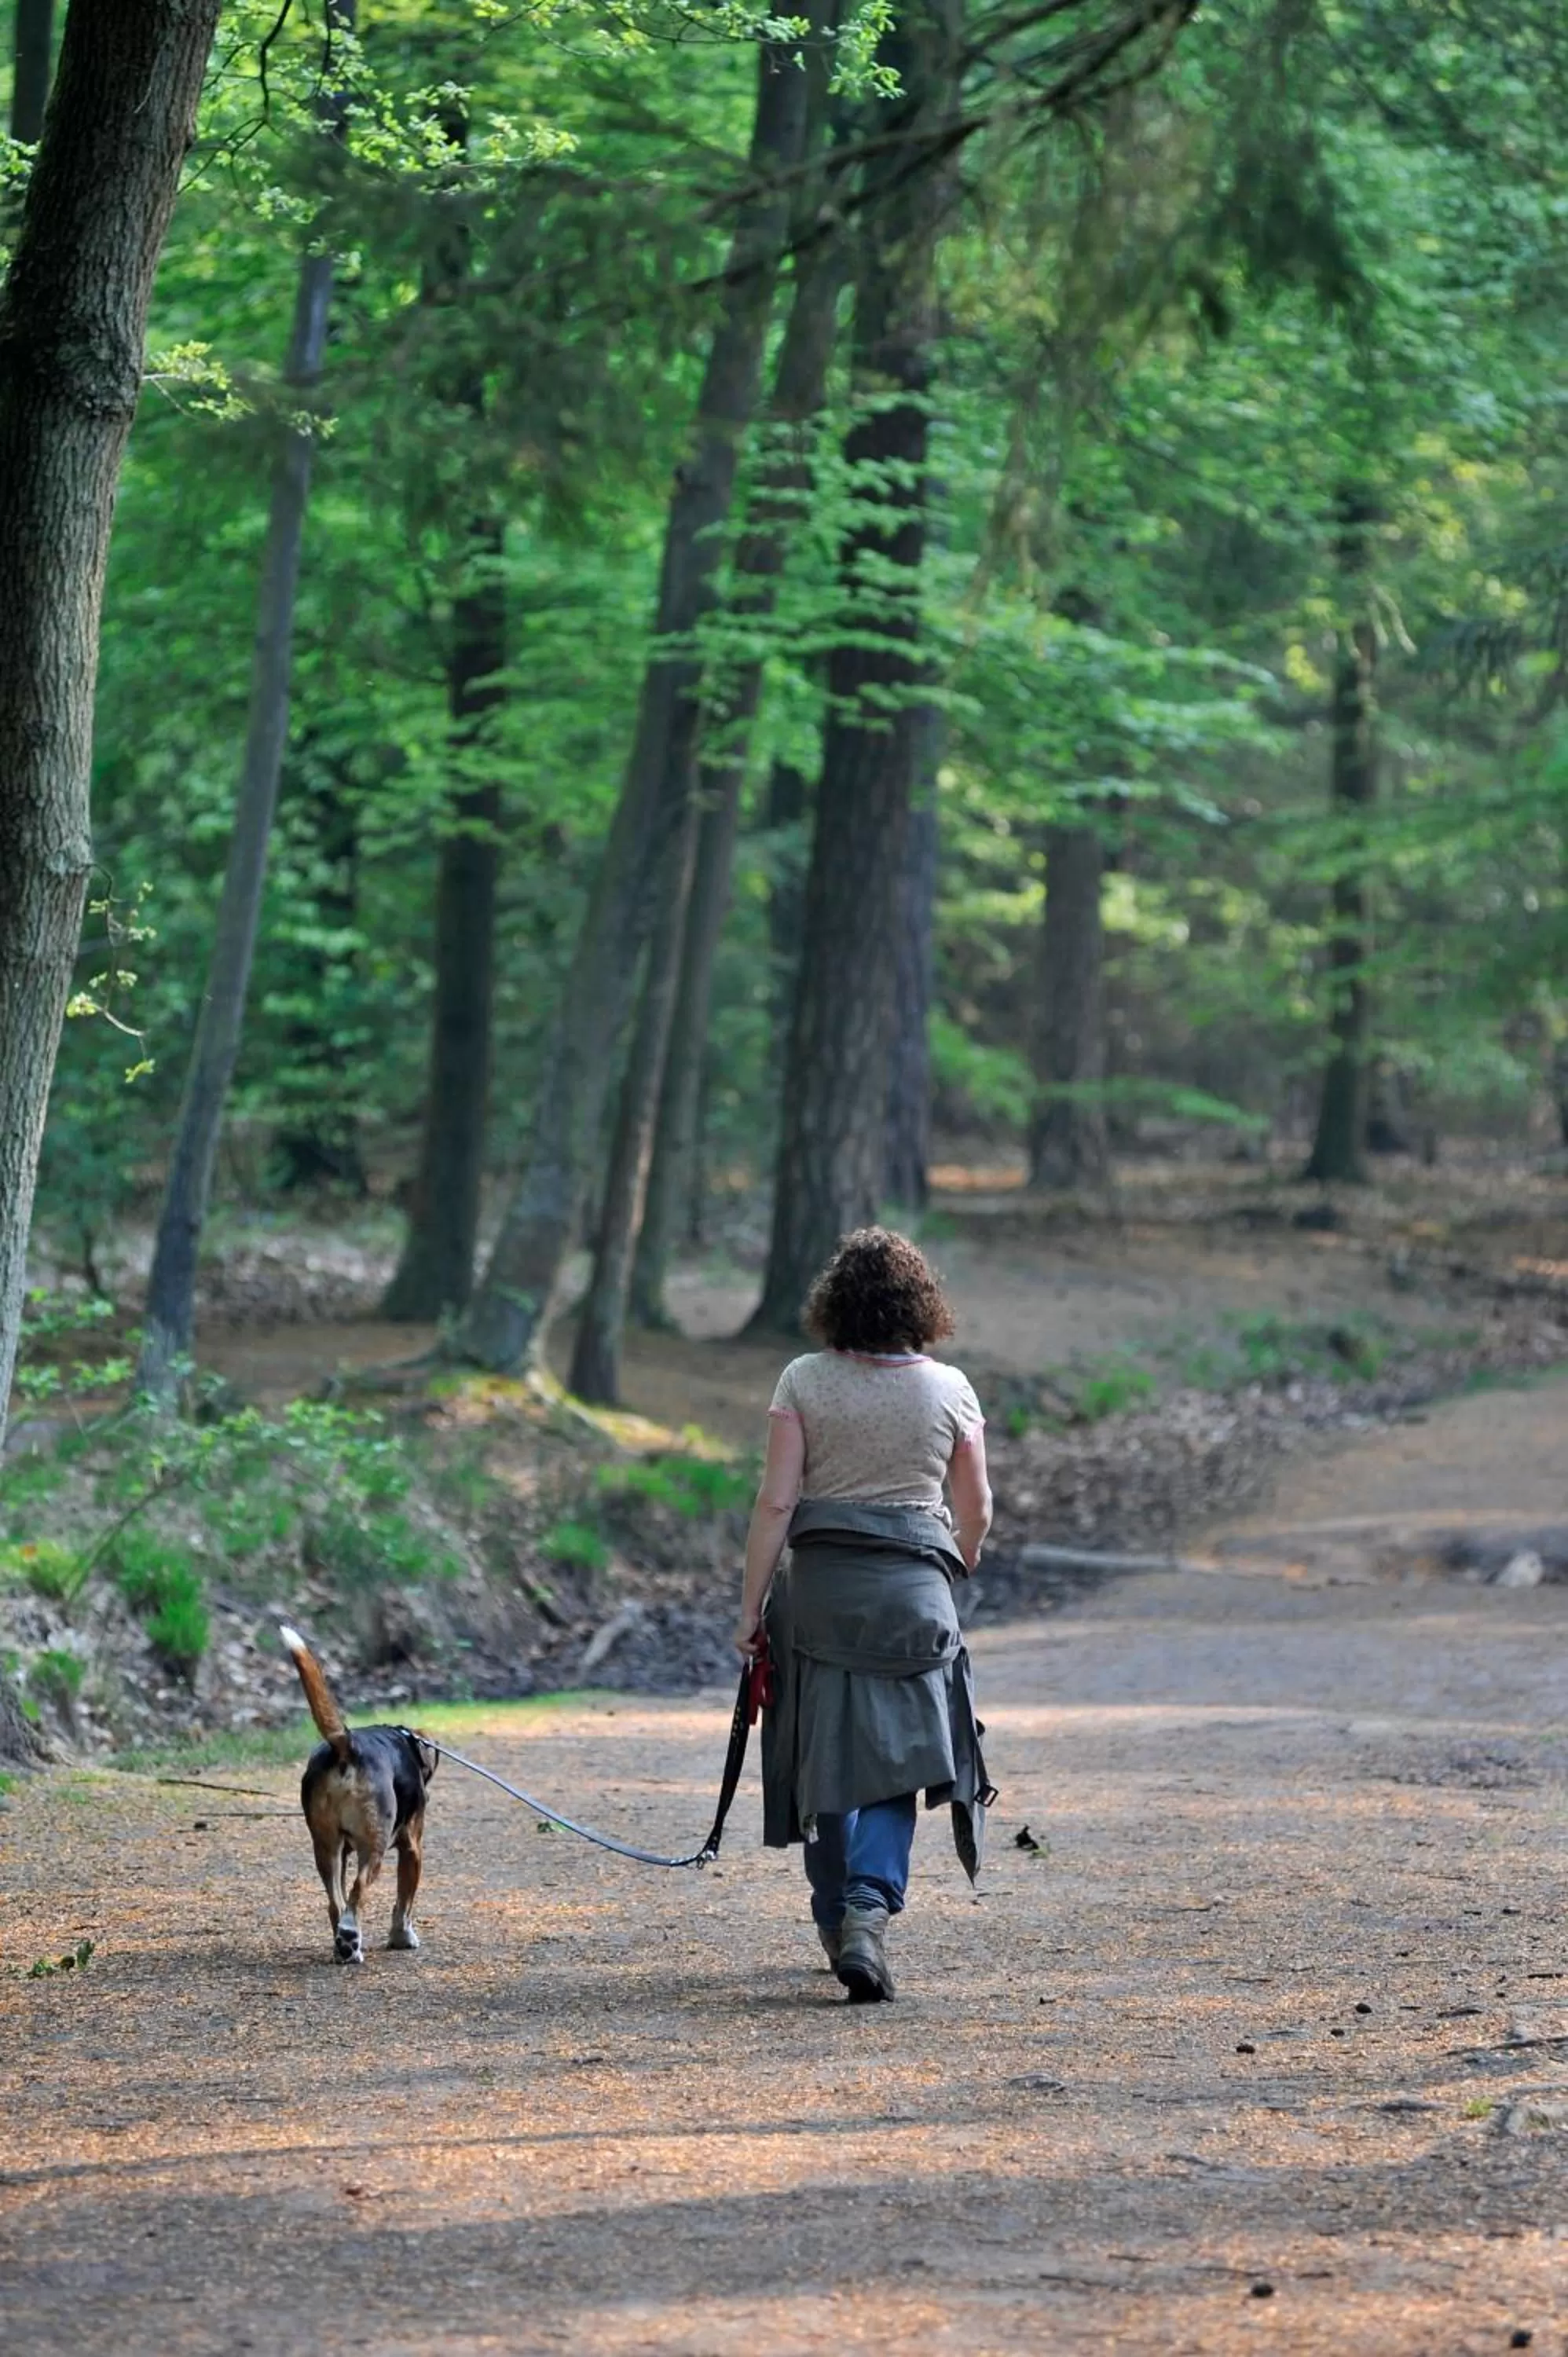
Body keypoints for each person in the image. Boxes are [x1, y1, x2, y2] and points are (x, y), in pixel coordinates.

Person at [735, 1226, 995, 2003]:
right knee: (906, 1759)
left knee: (824, 1761)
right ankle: (868, 1910)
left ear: (833, 1302)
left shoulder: (804, 1380)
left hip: (821, 1596)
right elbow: (974, 1506)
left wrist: (748, 1609)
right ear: (922, 1304)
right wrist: (960, 1559)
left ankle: (833, 1915)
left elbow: (778, 1501)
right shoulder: (949, 1388)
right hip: (917, 1593)